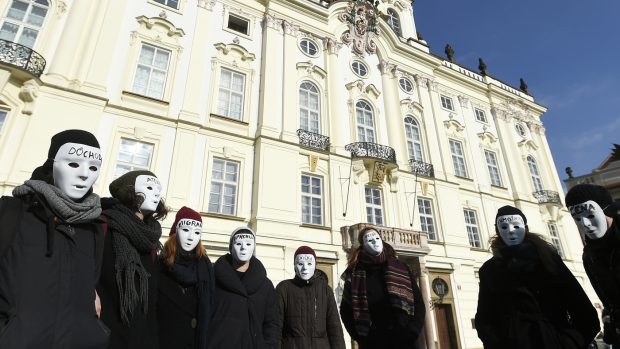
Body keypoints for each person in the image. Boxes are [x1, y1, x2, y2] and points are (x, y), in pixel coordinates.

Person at [0, 129, 109, 348]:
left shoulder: (93, 229)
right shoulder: (11, 213)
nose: (84, 174)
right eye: (73, 163)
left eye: (94, 167)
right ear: (51, 164)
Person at [475, 205, 599, 349]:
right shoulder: (490, 270)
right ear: (498, 231)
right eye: (503, 227)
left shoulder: (548, 260)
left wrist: (570, 342)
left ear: (525, 228)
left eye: (516, 226)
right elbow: (485, 318)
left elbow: (582, 308)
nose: (510, 231)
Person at [97, 170, 168, 349]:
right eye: (149, 187)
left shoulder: (151, 241)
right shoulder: (104, 226)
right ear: (129, 191)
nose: (156, 193)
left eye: (158, 189)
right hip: (107, 338)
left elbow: (151, 304)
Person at [340, 227, 425, 349]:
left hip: (404, 339)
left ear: (382, 240)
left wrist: (412, 332)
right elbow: (345, 310)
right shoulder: (353, 273)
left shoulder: (402, 267)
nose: (374, 241)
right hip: (373, 341)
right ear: (363, 246)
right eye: (369, 240)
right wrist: (361, 338)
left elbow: (419, 304)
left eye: (377, 238)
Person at [565, 184, 620, 346]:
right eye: (577, 219)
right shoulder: (589, 255)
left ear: (607, 210)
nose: (585, 224)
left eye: (590, 215)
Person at [207, 227, 278, 349]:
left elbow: (272, 323)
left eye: (249, 244)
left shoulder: (265, 286)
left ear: (254, 248)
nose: (243, 247)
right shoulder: (212, 279)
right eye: (238, 243)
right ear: (230, 247)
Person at [158, 206, 214, 349]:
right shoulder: (159, 266)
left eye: (196, 232)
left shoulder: (206, 269)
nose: (191, 237)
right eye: (185, 230)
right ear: (175, 231)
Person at [275, 245, 345, 349]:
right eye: (300, 264)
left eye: (309, 263)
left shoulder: (325, 290)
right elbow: (276, 328)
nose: (305, 268)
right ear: (294, 265)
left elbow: (335, 329)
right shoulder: (284, 289)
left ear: (315, 265)